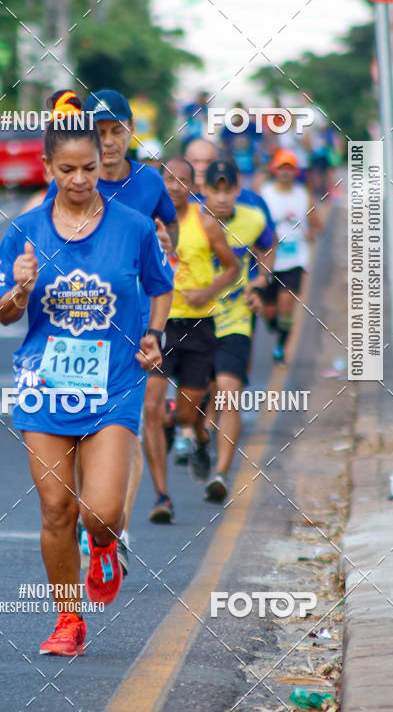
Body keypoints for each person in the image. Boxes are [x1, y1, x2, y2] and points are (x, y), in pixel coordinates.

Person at [0, 111, 173, 656]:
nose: (78, 179)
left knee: (100, 511)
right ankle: (69, 619)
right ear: (47, 166)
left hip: (113, 382)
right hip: (44, 386)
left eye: (88, 168)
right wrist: (20, 290)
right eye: (66, 169)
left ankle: (106, 545)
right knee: (55, 509)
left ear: (101, 164)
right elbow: (3, 314)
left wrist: (155, 333)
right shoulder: (25, 231)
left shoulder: (133, 228)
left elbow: (161, 284)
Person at [41, 89, 179, 576]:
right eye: (100, 133)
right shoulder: (72, 180)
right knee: (79, 431)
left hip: (134, 324)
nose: (109, 141)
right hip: (75, 330)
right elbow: (44, 236)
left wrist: (165, 246)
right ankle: (92, 517)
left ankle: (113, 523)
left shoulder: (148, 182)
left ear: (129, 131)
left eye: (116, 131)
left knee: (131, 422)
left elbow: (170, 233)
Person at [142, 158, 240, 523]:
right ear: (160, 182)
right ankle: (162, 497)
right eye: (169, 179)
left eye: (183, 180)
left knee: (187, 412)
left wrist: (208, 290)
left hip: (198, 325)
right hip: (159, 322)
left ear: (192, 185)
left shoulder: (205, 222)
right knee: (151, 407)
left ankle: (197, 435)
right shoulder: (147, 223)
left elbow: (232, 267)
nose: (175, 186)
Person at [201, 159, 274, 502]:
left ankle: (221, 474)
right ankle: (199, 438)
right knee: (200, 396)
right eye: (214, 189)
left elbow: (267, 247)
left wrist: (260, 280)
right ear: (204, 189)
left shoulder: (253, 218)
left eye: (227, 188)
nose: (221, 196)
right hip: (195, 321)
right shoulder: (191, 221)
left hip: (235, 318)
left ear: (236, 188)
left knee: (230, 391)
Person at [259, 149, 321, 365]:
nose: (285, 173)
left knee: (287, 303)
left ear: (295, 172)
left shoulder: (303, 194)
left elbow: (316, 225)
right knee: (269, 312)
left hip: (295, 258)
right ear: (274, 170)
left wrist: (311, 233)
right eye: (281, 168)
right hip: (269, 258)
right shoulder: (265, 193)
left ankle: (280, 348)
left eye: (289, 169)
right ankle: (277, 328)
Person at [219, 102, 263, 190]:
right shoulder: (227, 128)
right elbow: (223, 146)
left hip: (250, 165)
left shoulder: (252, 127)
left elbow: (259, 143)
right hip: (234, 164)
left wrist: (257, 156)